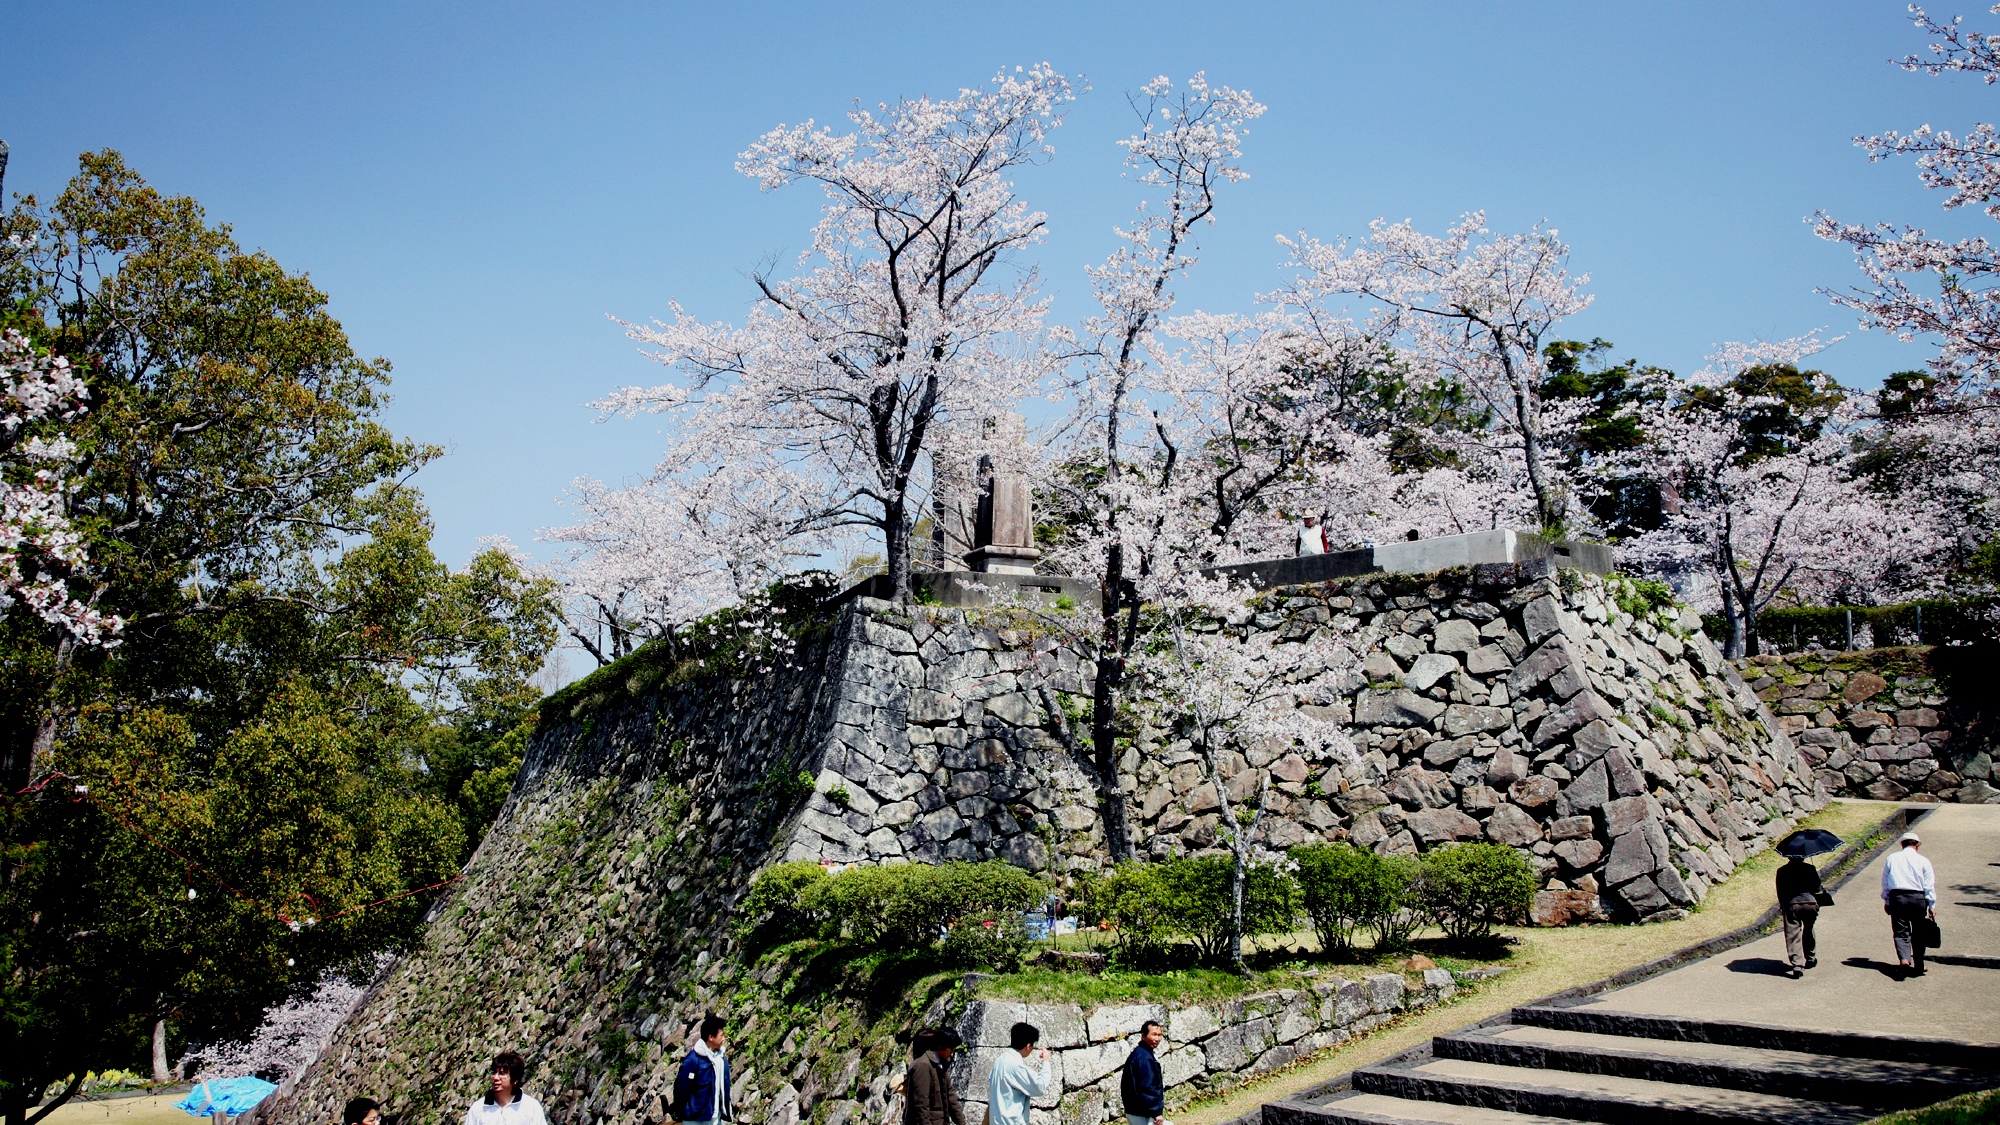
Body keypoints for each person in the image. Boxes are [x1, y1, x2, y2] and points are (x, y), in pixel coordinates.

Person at [1882, 830, 1937, 977]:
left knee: (1901, 931)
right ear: (1917, 845)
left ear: (1902, 844)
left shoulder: (1892, 858)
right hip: (1918, 898)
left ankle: (1904, 960)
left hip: (1897, 897)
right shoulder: (1924, 861)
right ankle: (1919, 964)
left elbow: (1886, 882)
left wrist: (1887, 900)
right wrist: (1931, 905)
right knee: (1919, 932)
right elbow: (1929, 885)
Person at [673, 1014, 732, 1125]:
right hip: (695, 1120)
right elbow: (681, 1088)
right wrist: (683, 1113)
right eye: (721, 1035)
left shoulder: (721, 1059)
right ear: (711, 1037)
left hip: (715, 1118)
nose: (724, 1039)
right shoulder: (693, 1061)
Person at [987, 1023, 1051, 1125]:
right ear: (1028, 1046)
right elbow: (1040, 1086)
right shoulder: (1015, 1065)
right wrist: (1046, 1062)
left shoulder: (999, 1061)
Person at [1774, 854, 1825, 977]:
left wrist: (1783, 905)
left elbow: (1780, 891)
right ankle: (1811, 958)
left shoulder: (1782, 871)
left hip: (1791, 904)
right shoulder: (1810, 868)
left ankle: (1797, 965)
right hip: (1810, 903)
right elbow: (1818, 888)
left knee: (1792, 934)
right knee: (1808, 928)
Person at [903, 1028, 965, 1125]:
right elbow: (921, 1104)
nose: (952, 1052)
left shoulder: (941, 1065)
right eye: (951, 1048)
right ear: (940, 1046)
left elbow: (951, 1099)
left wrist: (962, 1123)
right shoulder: (923, 1065)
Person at [465, 1052, 545, 1125]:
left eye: (502, 1074)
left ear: (515, 1079)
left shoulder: (531, 1107)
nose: (495, 1077)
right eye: (494, 1073)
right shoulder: (478, 1108)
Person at [1119, 1021, 1165, 1125]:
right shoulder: (1144, 1058)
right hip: (1142, 1112)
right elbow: (1147, 1087)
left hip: (1137, 1110)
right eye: (1154, 1035)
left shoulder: (1143, 1053)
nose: (1157, 1039)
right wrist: (1156, 1112)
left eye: (1159, 1035)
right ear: (1143, 1036)